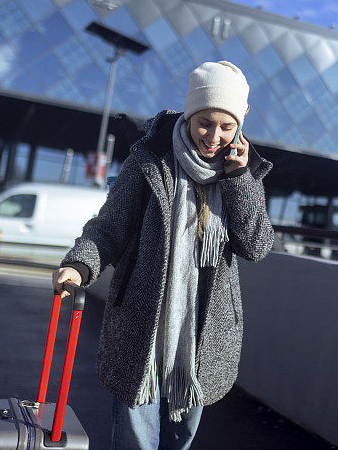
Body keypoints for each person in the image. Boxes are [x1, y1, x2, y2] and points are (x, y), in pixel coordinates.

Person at [52, 61, 274, 450]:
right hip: (142, 329)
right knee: (138, 441)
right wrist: (79, 264)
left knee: (180, 440)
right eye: (205, 122)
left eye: (226, 126)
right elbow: (110, 226)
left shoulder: (243, 171)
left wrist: (239, 180)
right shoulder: (150, 159)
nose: (214, 136)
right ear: (189, 113)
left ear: (242, 120)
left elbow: (255, 246)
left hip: (204, 339)